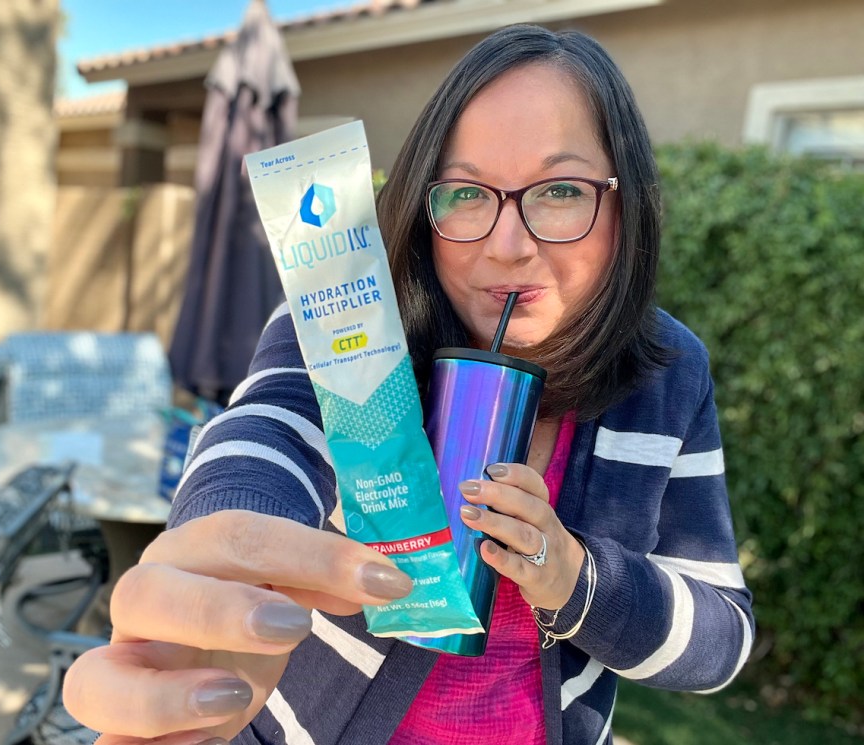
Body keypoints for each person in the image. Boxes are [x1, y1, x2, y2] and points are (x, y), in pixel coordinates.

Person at [64, 24, 754, 745]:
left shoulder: (670, 371)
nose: (506, 244)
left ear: (625, 203)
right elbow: (267, 430)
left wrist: (573, 577)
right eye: (464, 192)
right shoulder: (355, 319)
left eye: (558, 190)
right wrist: (223, 552)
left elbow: (721, 640)